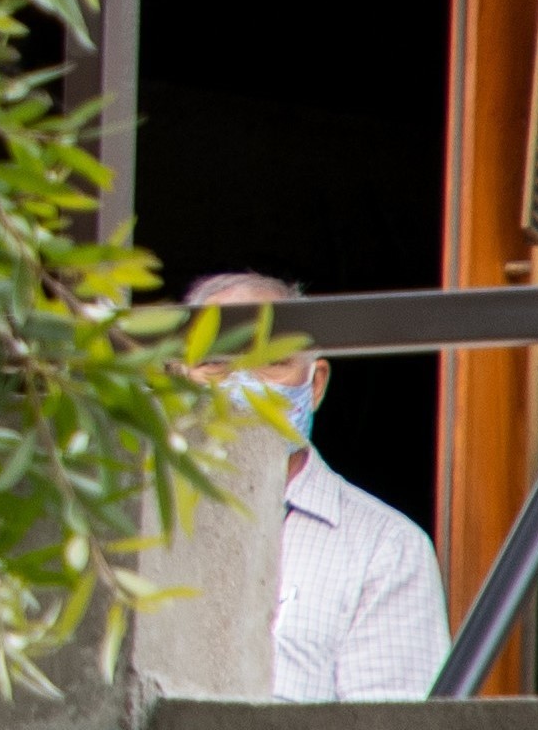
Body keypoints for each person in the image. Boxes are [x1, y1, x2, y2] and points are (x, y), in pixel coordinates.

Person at [190, 271, 449, 700]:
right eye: (216, 362)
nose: (244, 385)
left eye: (273, 361)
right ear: (175, 375)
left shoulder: (383, 548)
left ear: (315, 384)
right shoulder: (126, 526)